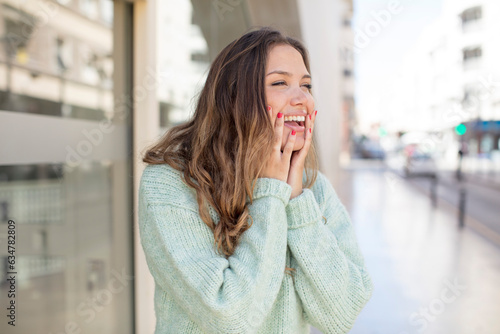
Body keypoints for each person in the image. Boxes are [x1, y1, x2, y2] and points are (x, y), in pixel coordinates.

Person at [138, 26, 373, 334]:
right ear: (235, 97)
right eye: (280, 83)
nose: (302, 98)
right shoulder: (171, 183)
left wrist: (298, 202)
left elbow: (340, 315)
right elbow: (232, 317)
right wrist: (272, 194)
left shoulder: (313, 190)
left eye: (306, 85)